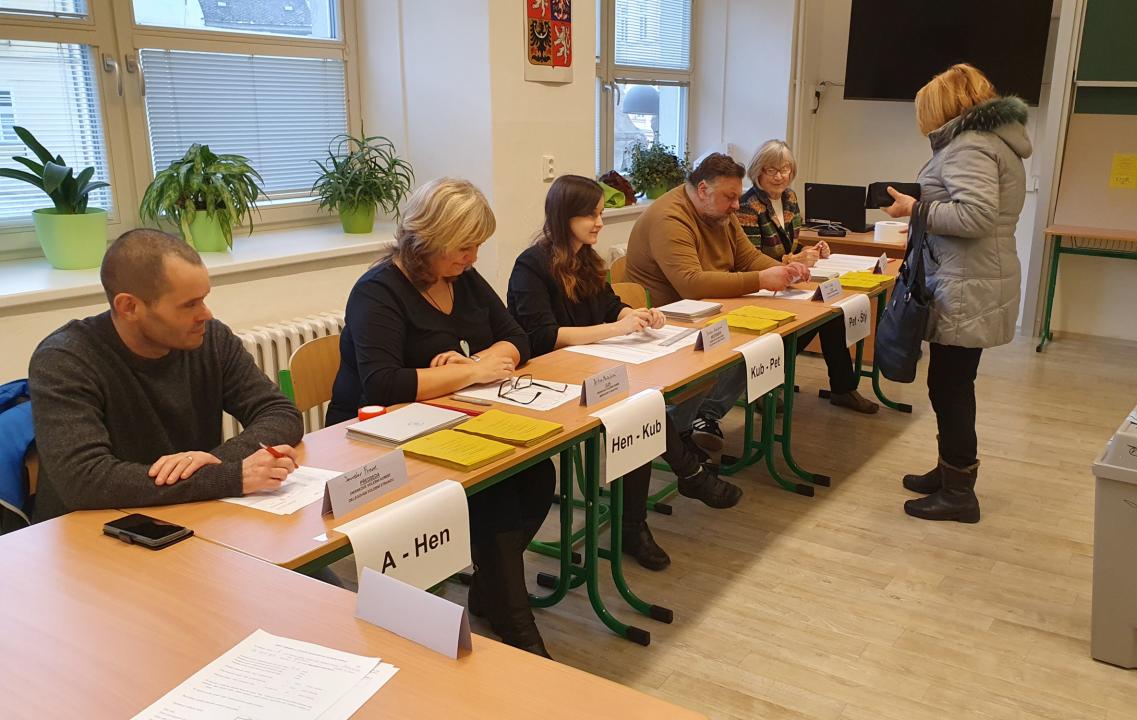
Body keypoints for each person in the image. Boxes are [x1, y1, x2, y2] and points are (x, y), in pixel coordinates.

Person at [327, 178, 555, 658]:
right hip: (373, 434)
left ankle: (491, 590)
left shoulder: (461, 278)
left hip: (447, 419)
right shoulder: (377, 291)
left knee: (537, 474)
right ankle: (517, 627)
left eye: (477, 246)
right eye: (464, 246)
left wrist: (474, 363)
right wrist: (470, 371)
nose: (473, 257)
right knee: (494, 491)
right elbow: (383, 384)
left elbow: (518, 337)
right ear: (428, 238)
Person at [28, 229, 304, 523]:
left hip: (190, 514)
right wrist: (227, 476)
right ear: (129, 307)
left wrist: (216, 463)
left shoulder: (211, 339)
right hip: (96, 530)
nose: (206, 314)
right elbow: (84, 480)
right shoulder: (64, 359)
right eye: (189, 305)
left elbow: (280, 413)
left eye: (203, 299)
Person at [508, 174, 712, 570]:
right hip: (551, 380)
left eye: (601, 214)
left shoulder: (586, 259)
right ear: (564, 215)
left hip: (591, 369)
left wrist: (634, 314)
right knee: (637, 409)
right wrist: (615, 329)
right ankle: (687, 475)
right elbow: (543, 336)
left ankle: (639, 520)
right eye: (591, 215)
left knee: (640, 407)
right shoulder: (531, 265)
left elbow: (609, 305)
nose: (600, 223)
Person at [881, 63, 1031, 524]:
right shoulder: (995, 142)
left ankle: (959, 492)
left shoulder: (969, 146)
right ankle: (950, 471)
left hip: (967, 283)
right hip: (975, 277)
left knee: (950, 388)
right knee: (952, 384)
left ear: (944, 106)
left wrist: (917, 209)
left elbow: (975, 217)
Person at [625, 153, 809, 498]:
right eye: (730, 197)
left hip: (705, 312)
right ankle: (679, 427)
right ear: (703, 190)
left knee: (762, 341)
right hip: (667, 321)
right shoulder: (669, 217)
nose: (737, 205)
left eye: (737, 196)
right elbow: (691, 284)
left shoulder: (719, 212)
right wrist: (761, 279)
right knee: (744, 346)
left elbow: (746, 257)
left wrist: (781, 270)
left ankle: (698, 420)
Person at [738, 139, 880, 414]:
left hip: (789, 282)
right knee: (810, 320)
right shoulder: (748, 205)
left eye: (785, 169)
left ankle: (842, 389)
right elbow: (751, 259)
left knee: (831, 313)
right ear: (758, 171)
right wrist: (792, 261)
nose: (779, 176)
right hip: (762, 287)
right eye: (771, 170)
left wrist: (810, 249)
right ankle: (763, 385)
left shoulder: (789, 198)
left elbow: (790, 243)